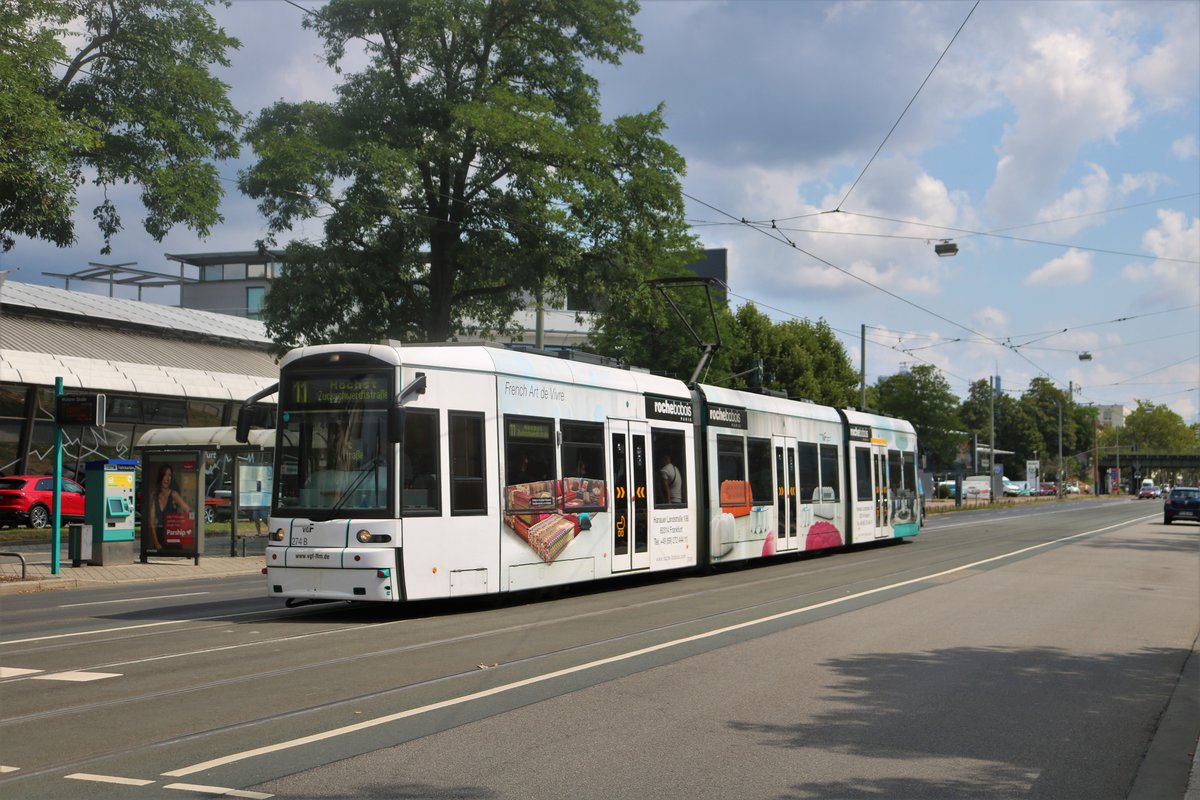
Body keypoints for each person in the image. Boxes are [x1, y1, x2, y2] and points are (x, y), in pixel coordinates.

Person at [147, 464, 191, 550]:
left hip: (172, 537)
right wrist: (156, 543)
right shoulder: (154, 496)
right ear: (161, 477)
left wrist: (180, 522)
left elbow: (188, 510)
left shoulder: (173, 494)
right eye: (165, 475)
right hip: (159, 540)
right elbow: (151, 522)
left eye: (169, 475)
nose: (167, 478)